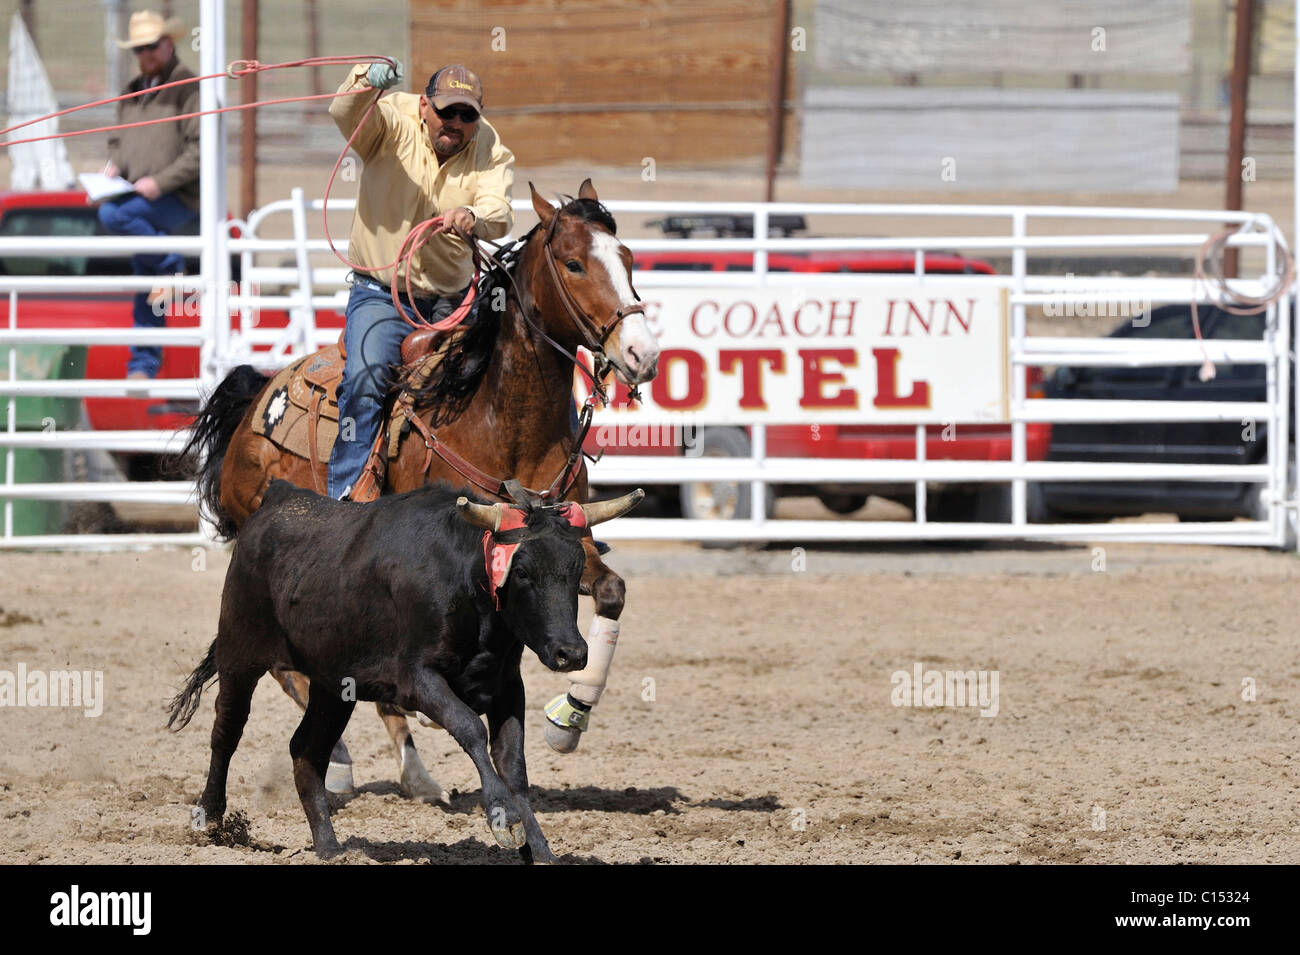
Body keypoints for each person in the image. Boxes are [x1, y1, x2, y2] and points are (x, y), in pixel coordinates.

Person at [326, 61, 515, 500]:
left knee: (498, 380)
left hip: (452, 301)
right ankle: (346, 500)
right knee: (367, 378)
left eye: (468, 115)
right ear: (425, 106)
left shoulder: (487, 145)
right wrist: (363, 81)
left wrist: (475, 216)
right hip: (381, 296)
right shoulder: (391, 119)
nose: (457, 124)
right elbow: (346, 114)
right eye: (448, 112)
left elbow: (499, 208)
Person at [97, 10, 201, 380]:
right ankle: (143, 362)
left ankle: (170, 261)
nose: (146, 54)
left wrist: (161, 182)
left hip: (180, 199)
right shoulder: (131, 92)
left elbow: (199, 151)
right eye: (139, 49)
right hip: (144, 198)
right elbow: (117, 141)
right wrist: (114, 167)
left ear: (168, 44)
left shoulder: (189, 87)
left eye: (151, 46)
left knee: (113, 216)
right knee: (146, 273)